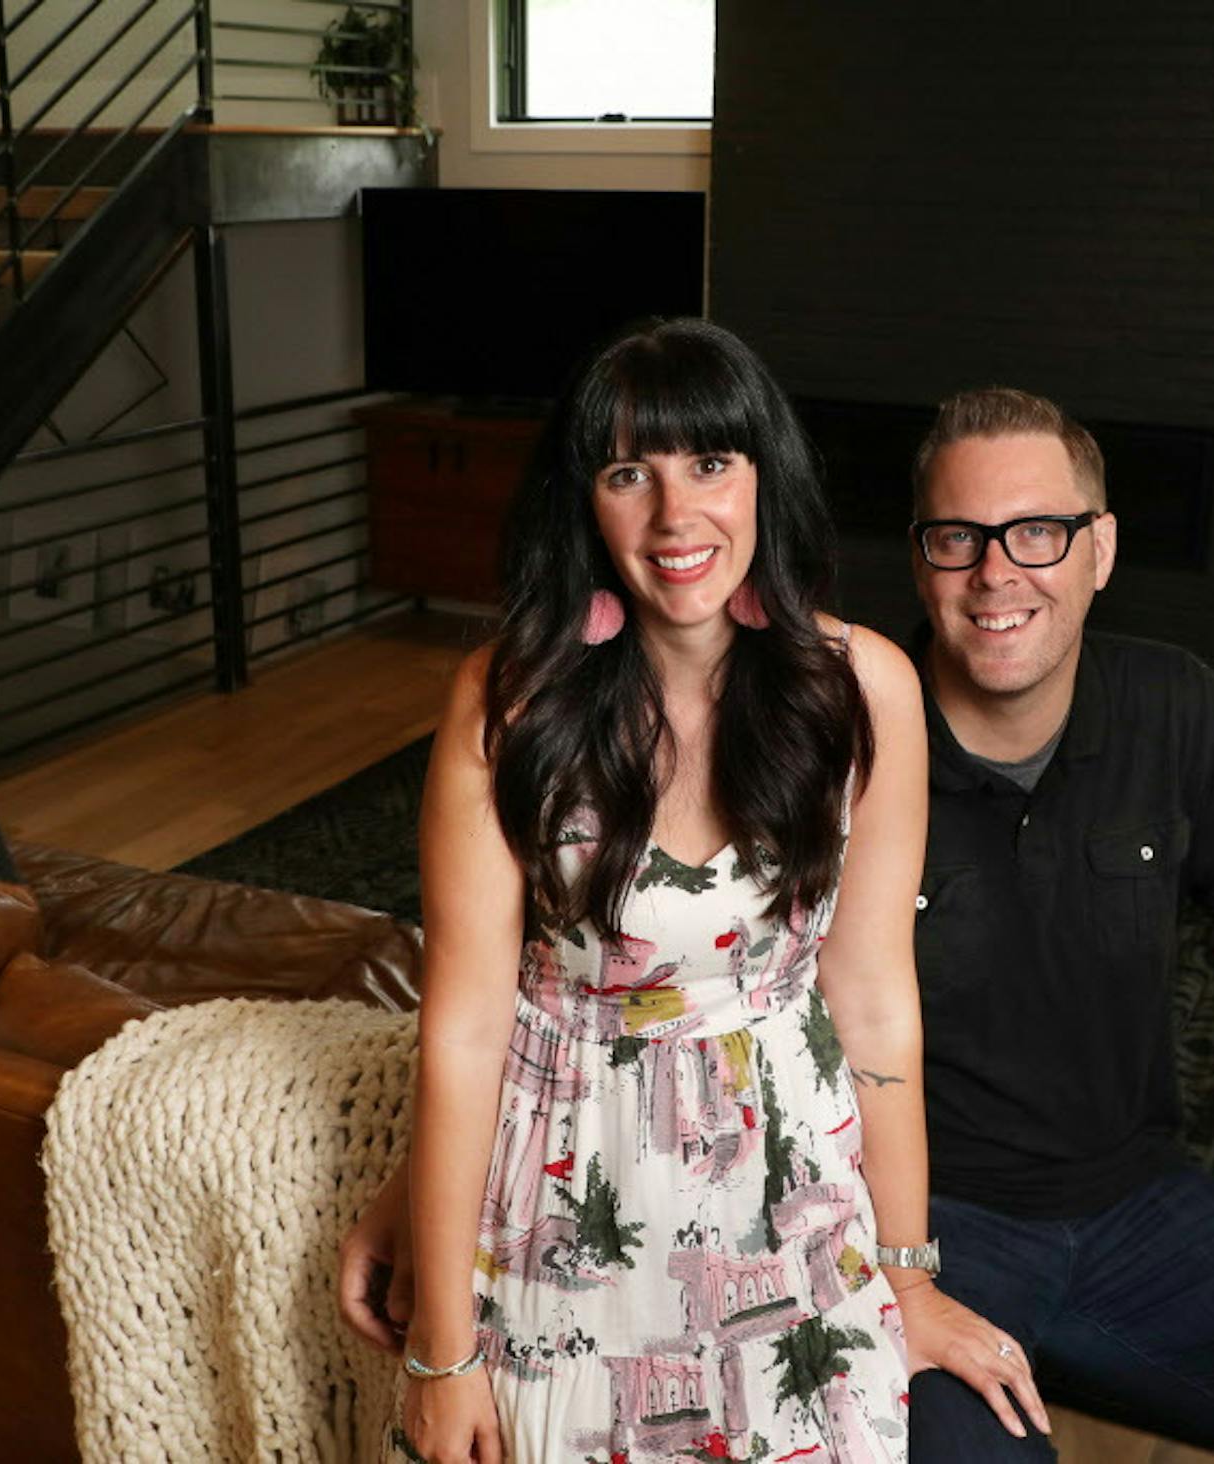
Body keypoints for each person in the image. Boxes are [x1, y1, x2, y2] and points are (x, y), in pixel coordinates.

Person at [349, 384, 1214, 1461]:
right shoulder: (825, 726)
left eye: (1039, 533)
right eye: (958, 539)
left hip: (1141, 1212)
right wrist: (426, 1197)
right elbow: (587, 967)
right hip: (905, 1216)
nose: (997, 574)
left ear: (1100, 549)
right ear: (920, 561)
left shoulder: (1178, 708)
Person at [388, 318, 963, 1464]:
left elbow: (876, 1000)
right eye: (626, 474)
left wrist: (911, 1277)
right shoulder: (509, 704)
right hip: (564, 1221)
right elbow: (459, 1030)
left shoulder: (866, 693)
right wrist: (440, 1353)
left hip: (795, 1211)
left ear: (766, 477)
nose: (675, 516)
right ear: (584, 505)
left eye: (712, 463)